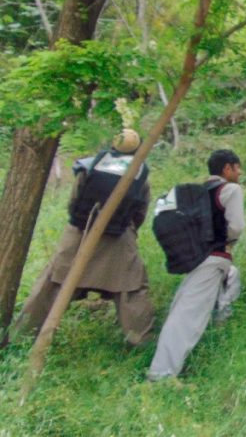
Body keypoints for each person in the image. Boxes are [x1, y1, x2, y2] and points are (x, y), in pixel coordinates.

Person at [10, 129, 153, 346]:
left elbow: (74, 202)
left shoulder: (90, 166)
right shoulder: (140, 175)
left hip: (79, 235)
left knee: (52, 284)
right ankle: (141, 342)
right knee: (131, 289)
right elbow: (139, 213)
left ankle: (20, 337)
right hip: (117, 242)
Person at [148, 149, 245, 381]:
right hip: (214, 257)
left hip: (197, 257)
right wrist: (228, 241)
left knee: (228, 281)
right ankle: (161, 374)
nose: (240, 173)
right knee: (186, 316)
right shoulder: (230, 190)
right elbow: (237, 226)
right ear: (227, 168)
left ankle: (214, 336)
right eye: (237, 167)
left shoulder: (202, 193)